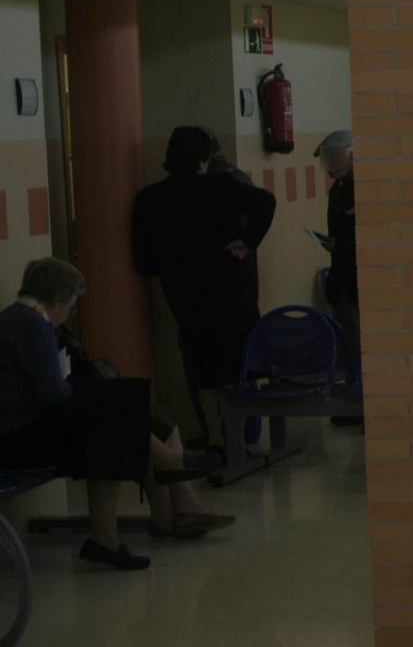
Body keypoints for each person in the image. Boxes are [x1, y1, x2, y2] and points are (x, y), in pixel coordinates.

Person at [0, 258, 233, 571]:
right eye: (70, 308)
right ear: (56, 302)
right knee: (108, 421)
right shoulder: (32, 326)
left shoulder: (21, 320)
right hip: (16, 436)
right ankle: (158, 478)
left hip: (21, 427)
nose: (69, 315)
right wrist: (85, 395)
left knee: (119, 413)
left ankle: (124, 530)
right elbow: (51, 393)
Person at [133, 127, 277, 451]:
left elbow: (143, 259)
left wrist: (172, 268)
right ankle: (242, 438)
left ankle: (214, 438)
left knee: (203, 371)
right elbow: (266, 202)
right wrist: (247, 243)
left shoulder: (149, 199)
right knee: (237, 367)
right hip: (230, 292)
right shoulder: (222, 185)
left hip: (186, 297)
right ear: (203, 159)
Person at [316, 132, 362, 410]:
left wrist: (340, 244)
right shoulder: (338, 190)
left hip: (357, 278)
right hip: (340, 279)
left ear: (349, 155)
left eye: (332, 157)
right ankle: (350, 404)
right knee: (347, 343)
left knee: (361, 342)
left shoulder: (360, 186)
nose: (329, 166)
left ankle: (365, 406)